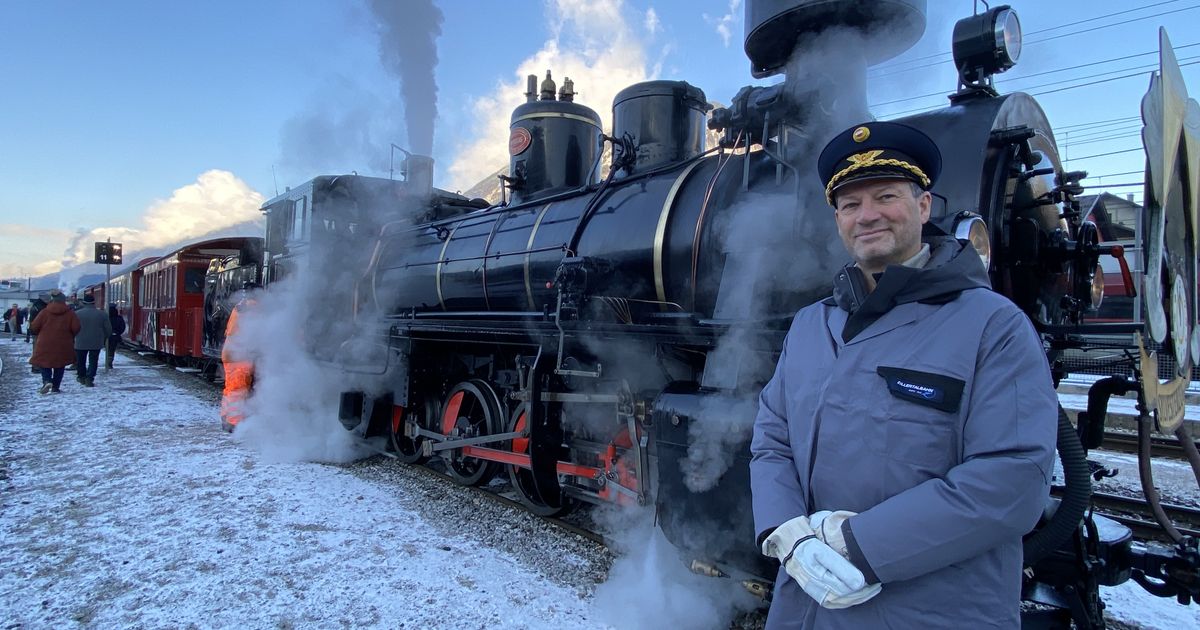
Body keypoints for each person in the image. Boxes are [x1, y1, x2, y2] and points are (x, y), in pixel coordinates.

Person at [749, 121, 1058, 628]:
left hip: (932, 613)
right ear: (838, 221)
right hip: (803, 605)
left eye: (885, 196)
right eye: (850, 205)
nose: (866, 215)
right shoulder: (810, 325)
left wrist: (860, 547)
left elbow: (1013, 479)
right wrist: (787, 533)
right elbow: (771, 440)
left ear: (923, 206)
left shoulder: (992, 324)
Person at [220, 282, 259, 431]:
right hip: (240, 356)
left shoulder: (240, 306)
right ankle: (234, 423)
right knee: (238, 391)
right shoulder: (253, 307)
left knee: (231, 389)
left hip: (231, 352)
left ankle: (226, 417)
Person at [29, 289, 81, 394]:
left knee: (44, 363)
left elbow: (34, 327)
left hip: (45, 342)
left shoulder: (44, 312)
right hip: (63, 344)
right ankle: (56, 387)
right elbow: (76, 327)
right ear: (63, 301)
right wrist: (69, 335)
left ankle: (47, 381)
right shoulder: (70, 313)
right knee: (60, 365)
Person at [73, 294, 111, 387]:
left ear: (83, 302)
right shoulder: (102, 314)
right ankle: (90, 378)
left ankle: (81, 377)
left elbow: (72, 328)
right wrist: (104, 338)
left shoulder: (77, 314)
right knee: (93, 360)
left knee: (81, 360)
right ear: (94, 302)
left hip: (80, 341)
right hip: (96, 342)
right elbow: (108, 330)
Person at [106, 303, 126, 369]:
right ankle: (109, 362)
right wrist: (117, 333)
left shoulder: (106, 318)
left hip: (106, 336)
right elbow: (122, 327)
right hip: (115, 336)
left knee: (107, 348)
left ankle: (107, 361)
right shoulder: (119, 318)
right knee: (112, 350)